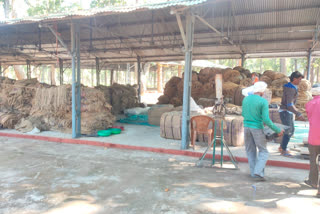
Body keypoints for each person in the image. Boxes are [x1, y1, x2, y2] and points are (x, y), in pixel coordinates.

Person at [242, 81, 284, 181]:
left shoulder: (246, 99)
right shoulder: (263, 101)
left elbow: (243, 114)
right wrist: (277, 129)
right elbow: (266, 119)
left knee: (250, 150)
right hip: (257, 128)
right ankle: (258, 171)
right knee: (263, 151)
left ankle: (253, 173)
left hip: (246, 127)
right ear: (262, 91)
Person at [279, 71, 305, 157]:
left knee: (290, 130)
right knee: (289, 131)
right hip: (286, 112)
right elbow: (289, 104)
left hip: (287, 111)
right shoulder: (290, 89)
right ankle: (283, 149)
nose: (300, 81)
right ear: (294, 79)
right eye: (299, 79)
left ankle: (282, 147)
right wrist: (298, 114)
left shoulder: (292, 87)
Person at [305, 86, 320, 198]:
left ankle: (313, 182)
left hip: (314, 137)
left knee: (313, 161)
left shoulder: (309, 104)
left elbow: (310, 118)